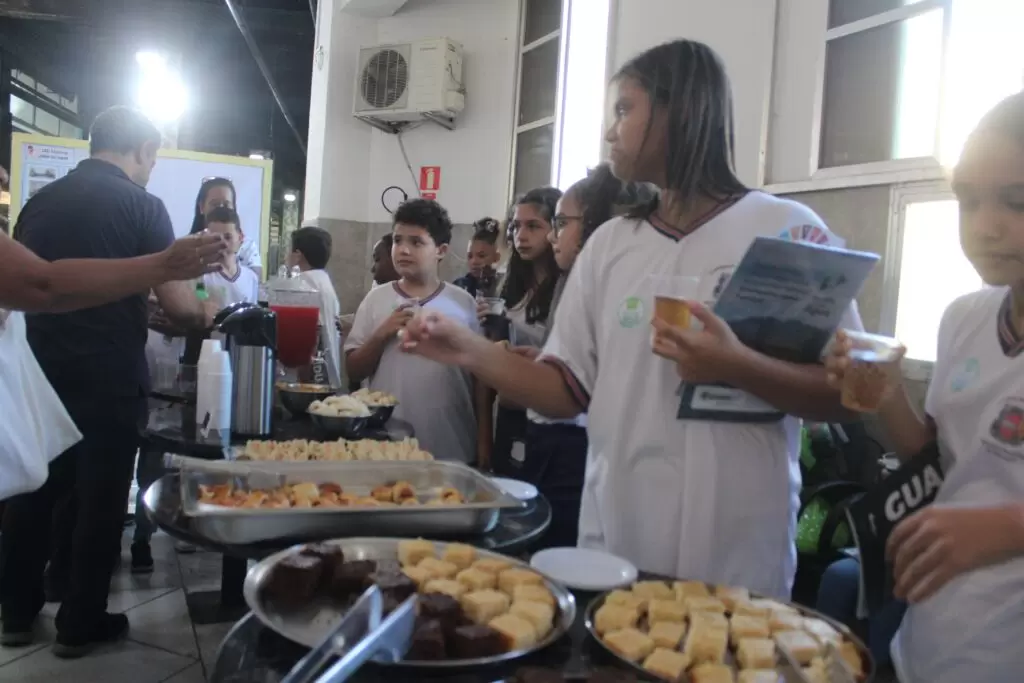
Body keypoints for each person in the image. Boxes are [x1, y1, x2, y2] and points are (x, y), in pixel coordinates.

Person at [398, 39, 858, 598]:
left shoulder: (785, 230)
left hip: (739, 552)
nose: (610, 132)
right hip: (619, 544)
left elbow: (845, 395)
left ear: (680, 111)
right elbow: (566, 391)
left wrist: (736, 365)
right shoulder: (613, 244)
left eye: (624, 110)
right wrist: (469, 349)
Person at [0, 106, 218, 657]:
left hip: (40, 373)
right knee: (101, 501)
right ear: (143, 150)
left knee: (34, 493)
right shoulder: (144, 206)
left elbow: (36, 285)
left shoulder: (40, 202)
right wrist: (205, 312)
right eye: (153, 158)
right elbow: (178, 304)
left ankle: (16, 612)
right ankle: (80, 623)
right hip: (110, 376)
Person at [826, 91, 1024, 683]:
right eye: (968, 202)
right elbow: (937, 458)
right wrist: (885, 395)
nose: (984, 227)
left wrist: (1005, 527)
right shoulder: (966, 318)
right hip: (931, 640)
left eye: (1015, 202)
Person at [516, 164, 648, 548]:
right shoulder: (568, 280)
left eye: (561, 223)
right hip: (550, 439)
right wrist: (543, 358)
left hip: (575, 443)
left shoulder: (612, 286)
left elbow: (573, 390)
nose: (552, 236)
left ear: (596, 227)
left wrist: (468, 349)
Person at [130, 206, 259, 572]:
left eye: (227, 236)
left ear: (240, 238)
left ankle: (211, 524)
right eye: (213, 238)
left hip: (238, 376)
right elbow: (195, 312)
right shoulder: (198, 277)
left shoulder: (250, 279)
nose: (221, 244)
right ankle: (143, 534)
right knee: (168, 452)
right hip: (198, 371)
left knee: (220, 457)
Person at [345, 199, 479, 463]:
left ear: (440, 250)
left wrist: (484, 441)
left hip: (452, 443)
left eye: (417, 242)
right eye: (398, 240)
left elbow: (480, 379)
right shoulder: (376, 300)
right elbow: (354, 370)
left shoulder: (463, 303)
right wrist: (381, 334)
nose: (403, 250)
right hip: (388, 445)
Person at [482, 188, 561, 476]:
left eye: (533, 226)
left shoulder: (566, 286)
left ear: (556, 229)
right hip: (510, 408)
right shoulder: (510, 285)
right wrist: (490, 326)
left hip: (550, 410)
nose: (521, 236)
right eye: (515, 226)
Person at [287, 226, 342, 388]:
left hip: (310, 374)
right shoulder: (323, 280)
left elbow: (309, 333)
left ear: (297, 255)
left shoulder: (301, 283)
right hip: (328, 368)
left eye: (288, 251)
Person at [189, 177, 263, 279]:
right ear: (201, 207)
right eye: (215, 204)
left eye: (226, 204)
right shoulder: (189, 245)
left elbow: (255, 281)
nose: (221, 208)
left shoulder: (247, 246)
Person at [453, 217, 502, 298]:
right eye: (470, 256)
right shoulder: (459, 286)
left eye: (481, 256)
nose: (474, 261)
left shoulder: (503, 287)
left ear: (496, 257)